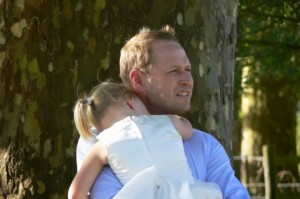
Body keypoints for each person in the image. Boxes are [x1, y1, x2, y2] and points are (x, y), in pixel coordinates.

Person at [76, 25, 250, 198]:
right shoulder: (102, 141)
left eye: (188, 70)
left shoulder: (204, 144)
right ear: (138, 79)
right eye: (174, 71)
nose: (187, 80)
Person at [68, 82, 223, 199]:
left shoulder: (102, 145)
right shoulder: (167, 122)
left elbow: (75, 194)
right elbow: (188, 131)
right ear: (130, 101)